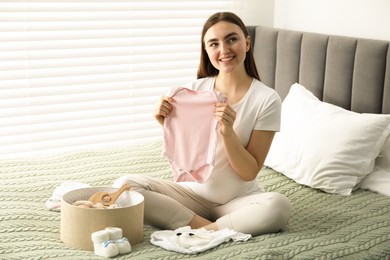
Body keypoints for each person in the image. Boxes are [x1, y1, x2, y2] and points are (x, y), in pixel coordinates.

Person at [114, 12, 292, 236]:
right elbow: (188, 149)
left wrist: (228, 133)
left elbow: (249, 172)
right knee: (124, 186)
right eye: (214, 44)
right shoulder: (192, 90)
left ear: (247, 43)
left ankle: (199, 228)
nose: (224, 50)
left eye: (232, 39)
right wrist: (166, 125)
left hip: (237, 201)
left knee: (279, 206)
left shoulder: (266, 99)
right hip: (189, 196)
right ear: (207, 51)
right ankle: (206, 229)